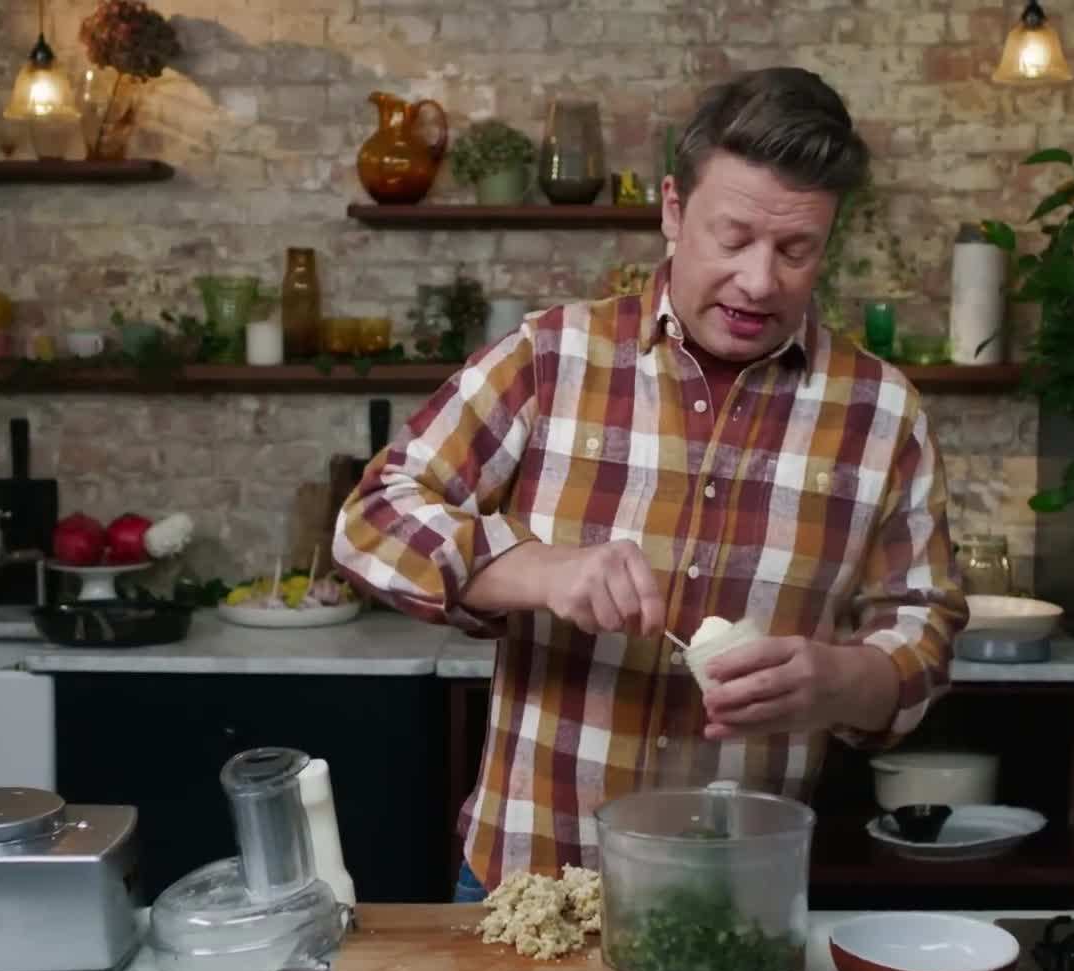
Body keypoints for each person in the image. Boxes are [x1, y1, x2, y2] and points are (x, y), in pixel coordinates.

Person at [333, 67, 966, 903]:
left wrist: (842, 679)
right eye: (732, 237)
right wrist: (539, 569)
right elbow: (371, 520)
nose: (759, 282)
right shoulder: (551, 356)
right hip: (531, 881)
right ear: (673, 210)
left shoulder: (881, 411)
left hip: (737, 900)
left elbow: (925, 628)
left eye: (796, 250)